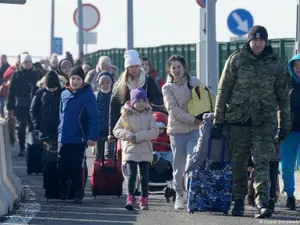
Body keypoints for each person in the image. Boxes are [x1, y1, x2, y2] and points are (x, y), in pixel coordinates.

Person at [211, 25, 291, 218]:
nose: (258, 44)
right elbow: (223, 91)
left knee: (262, 161)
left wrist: (284, 124)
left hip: (264, 120)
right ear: (249, 41)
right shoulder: (236, 60)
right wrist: (218, 120)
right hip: (239, 119)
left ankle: (262, 202)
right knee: (238, 163)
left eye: (262, 40)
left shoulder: (275, 63)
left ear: (266, 41)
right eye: (254, 40)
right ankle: (238, 201)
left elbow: (283, 96)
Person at [161, 55, 201, 210]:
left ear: (184, 67)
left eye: (179, 66)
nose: (176, 70)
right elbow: (173, 111)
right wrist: (194, 119)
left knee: (193, 162)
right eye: (173, 67)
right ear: (170, 71)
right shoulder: (167, 88)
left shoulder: (194, 82)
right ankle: (179, 195)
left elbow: (209, 97)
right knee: (178, 166)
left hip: (194, 131)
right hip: (177, 131)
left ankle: (192, 195)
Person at [58, 66, 99, 204]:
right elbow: (61, 115)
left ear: (83, 80)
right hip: (63, 137)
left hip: (79, 137)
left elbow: (94, 118)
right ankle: (64, 186)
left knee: (77, 166)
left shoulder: (88, 95)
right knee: (62, 165)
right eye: (73, 78)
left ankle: (78, 192)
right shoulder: (64, 94)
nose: (75, 81)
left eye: (78, 79)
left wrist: (92, 137)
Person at [113, 88, 159, 210]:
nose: (140, 103)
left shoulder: (149, 116)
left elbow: (154, 132)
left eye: (143, 100)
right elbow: (116, 130)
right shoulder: (125, 115)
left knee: (144, 176)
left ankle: (144, 199)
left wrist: (138, 136)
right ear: (132, 102)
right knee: (131, 175)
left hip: (145, 149)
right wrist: (128, 135)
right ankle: (130, 197)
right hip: (130, 149)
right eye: (137, 101)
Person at [109, 50, 164, 141]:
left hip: (145, 123)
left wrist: (154, 116)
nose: (134, 69)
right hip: (127, 125)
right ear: (127, 68)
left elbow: (157, 100)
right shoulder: (121, 84)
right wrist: (111, 132)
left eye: (136, 66)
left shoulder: (147, 80)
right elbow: (114, 108)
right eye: (131, 67)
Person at [29, 70, 63, 190]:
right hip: (45, 132)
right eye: (49, 87)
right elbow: (33, 110)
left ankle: (57, 184)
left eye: (54, 88)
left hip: (59, 131)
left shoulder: (63, 93)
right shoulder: (39, 94)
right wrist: (37, 125)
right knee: (48, 159)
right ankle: (48, 184)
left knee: (59, 158)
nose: (52, 90)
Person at [6, 53, 42, 157]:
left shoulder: (37, 73)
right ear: (22, 63)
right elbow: (11, 91)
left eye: (29, 62)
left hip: (34, 105)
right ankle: (22, 147)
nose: (27, 64)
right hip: (20, 105)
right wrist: (10, 108)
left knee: (32, 128)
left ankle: (31, 147)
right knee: (21, 127)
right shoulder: (17, 74)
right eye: (25, 62)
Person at [280, 53, 300, 210]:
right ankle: (290, 195)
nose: (298, 68)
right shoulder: (286, 84)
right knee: (286, 165)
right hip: (289, 131)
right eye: (295, 65)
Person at [93, 71, 114, 160]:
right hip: (99, 129)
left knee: (110, 154)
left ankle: (110, 173)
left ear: (112, 83)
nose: (105, 85)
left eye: (108, 82)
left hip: (112, 130)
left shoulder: (114, 96)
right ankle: (98, 172)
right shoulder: (95, 96)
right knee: (99, 154)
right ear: (98, 84)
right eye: (102, 83)